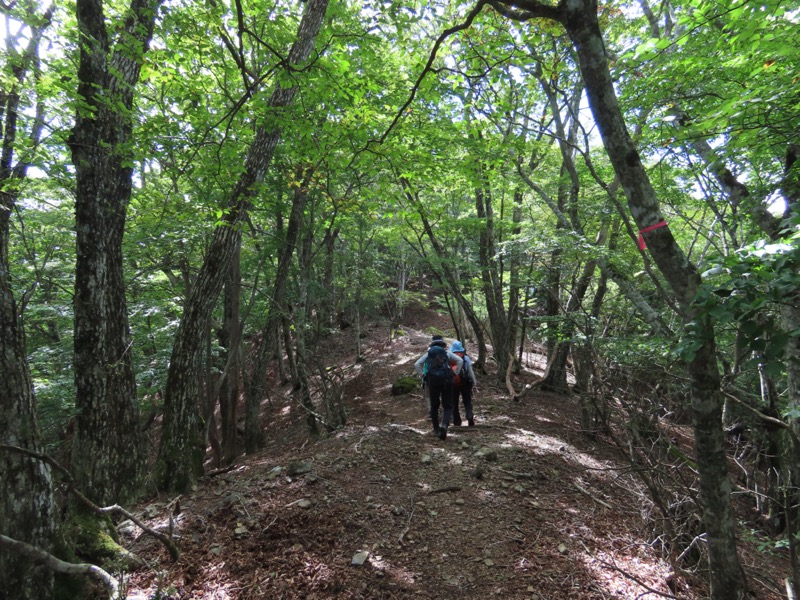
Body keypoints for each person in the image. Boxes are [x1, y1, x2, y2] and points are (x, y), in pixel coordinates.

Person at [414, 335, 463, 440]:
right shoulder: (446, 353)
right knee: (448, 406)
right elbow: (460, 361)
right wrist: (455, 373)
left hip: (433, 382)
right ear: (442, 343)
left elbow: (417, 364)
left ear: (432, 343)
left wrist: (424, 375)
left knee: (434, 406)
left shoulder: (429, 354)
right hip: (447, 381)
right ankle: (444, 425)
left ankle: (436, 429)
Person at [449, 340, 477, 427]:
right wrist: (474, 382)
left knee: (454, 402)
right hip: (465, 383)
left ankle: (457, 421)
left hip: (453, 383)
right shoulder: (465, 358)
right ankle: (470, 417)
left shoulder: (449, 358)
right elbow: (470, 372)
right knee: (467, 401)